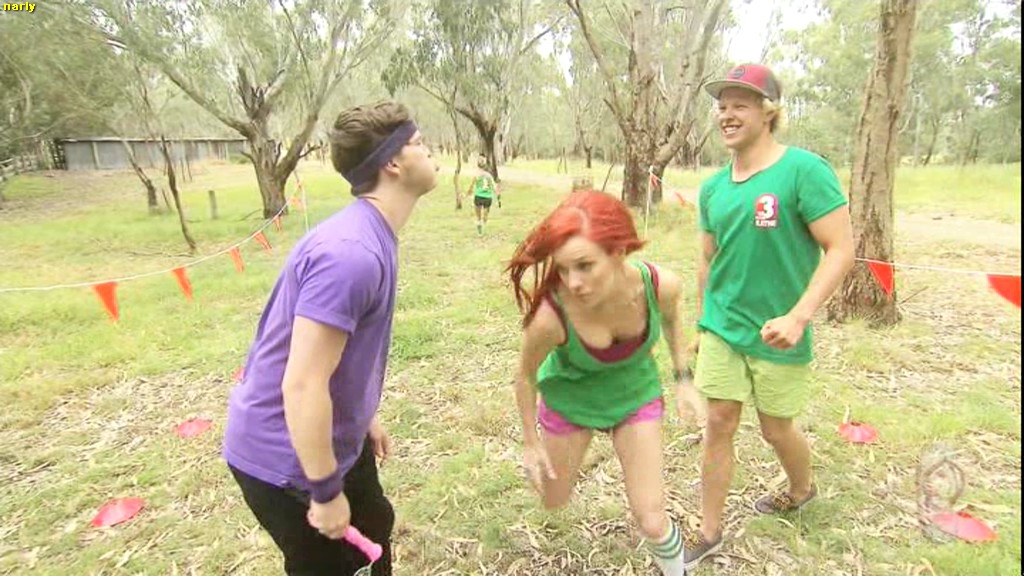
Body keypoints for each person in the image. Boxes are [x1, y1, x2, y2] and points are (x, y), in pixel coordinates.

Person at [222, 101, 439, 576]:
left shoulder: (371, 234)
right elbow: (302, 384)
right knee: (331, 566)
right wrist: (324, 491)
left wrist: (362, 416)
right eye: (419, 143)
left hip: (334, 438)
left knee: (374, 528)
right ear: (393, 162)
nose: (430, 151)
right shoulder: (350, 254)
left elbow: (339, 354)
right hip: (286, 461)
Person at [683, 63, 855, 570]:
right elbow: (707, 260)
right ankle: (709, 530)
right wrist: (702, 322)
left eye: (740, 105)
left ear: (768, 111)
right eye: (722, 106)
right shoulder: (713, 188)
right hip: (723, 326)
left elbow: (841, 249)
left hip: (781, 332)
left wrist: (799, 317)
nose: (727, 115)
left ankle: (801, 489)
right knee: (718, 422)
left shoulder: (804, 170)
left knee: (776, 429)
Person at [506, 189, 706, 576]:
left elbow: (671, 322)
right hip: (571, 401)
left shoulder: (661, 286)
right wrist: (530, 443)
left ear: (618, 251)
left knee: (652, 518)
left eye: (584, 266)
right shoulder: (550, 318)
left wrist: (683, 379)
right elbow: (525, 376)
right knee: (553, 500)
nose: (573, 282)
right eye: (563, 269)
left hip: (634, 395)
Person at [466, 154, 500, 235]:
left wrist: (468, 193)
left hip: (478, 196)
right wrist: (498, 195)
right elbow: (494, 187)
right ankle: (484, 221)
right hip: (488, 197)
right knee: (486, 214)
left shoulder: (476, 175)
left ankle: (479, 231)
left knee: (478, 216)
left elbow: (471, 186)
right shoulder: (489, 176)